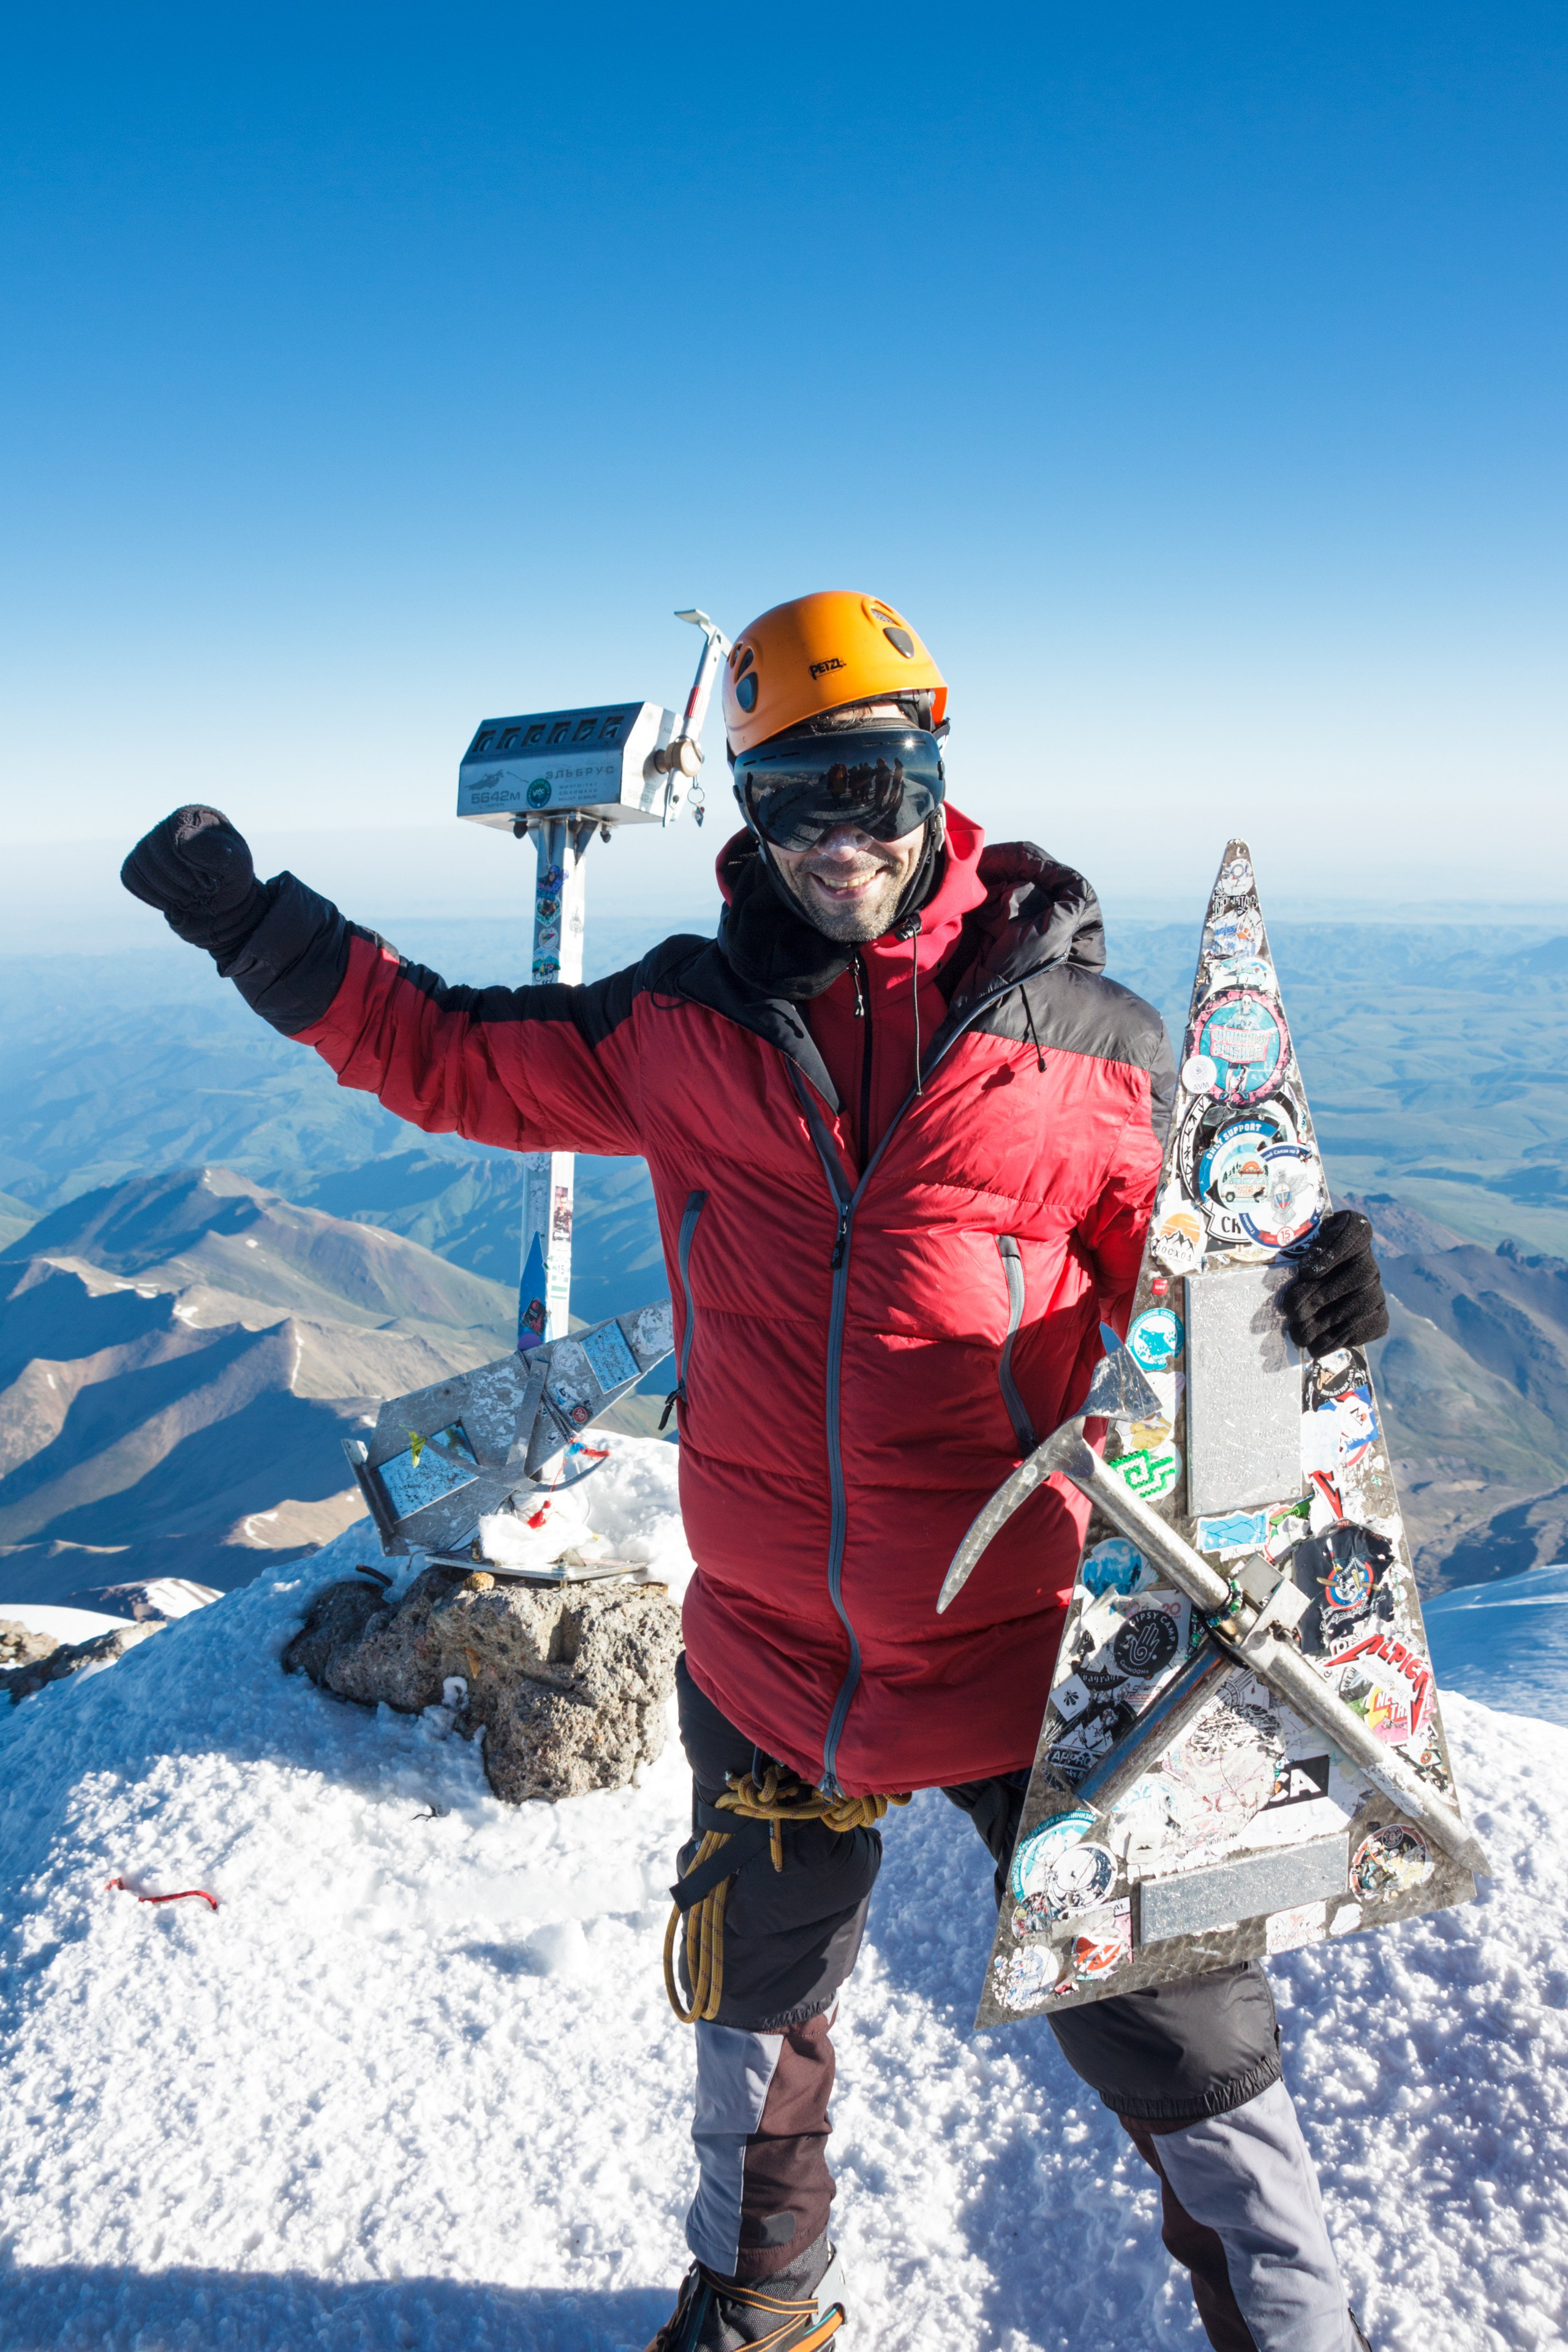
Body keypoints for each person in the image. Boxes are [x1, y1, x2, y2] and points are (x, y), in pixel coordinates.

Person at [123, 590, 1388, 2352]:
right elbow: (449, 1053)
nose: (836, 840)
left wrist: (1308, 1298)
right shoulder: (681, 1026)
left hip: (1039, 1656)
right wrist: (254, 924)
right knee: (753, 2013)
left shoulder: (1097, 1051)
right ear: (745, 812)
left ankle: (1297, 2331)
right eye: (790, 799)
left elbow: (1199, 1303)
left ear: (933, 774)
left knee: (1192, 2037)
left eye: (870, 786)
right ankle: (760, 2304)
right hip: (775, 1658)